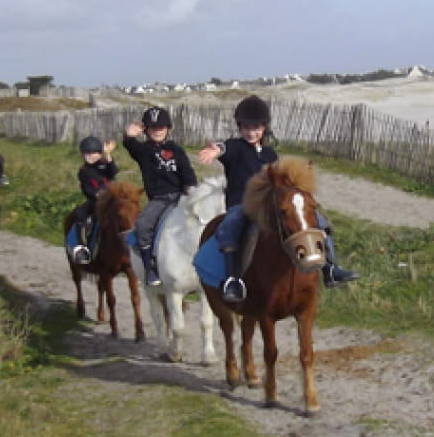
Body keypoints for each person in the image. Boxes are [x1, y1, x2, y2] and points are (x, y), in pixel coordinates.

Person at [197, 95, 358, 303]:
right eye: (246, 127)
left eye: (256, 127)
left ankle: (330, 267)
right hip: (242, 205)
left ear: (264, 128)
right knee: (230, 224)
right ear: (239, 127)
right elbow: (225, 148)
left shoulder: (270, 154)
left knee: (317, 219)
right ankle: (233, 279)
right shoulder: (236, 147)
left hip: (268, 207)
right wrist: (217, 149)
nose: (251, 132)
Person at [123, 106, 198, 286]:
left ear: (168, 129)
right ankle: (150, 268)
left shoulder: (176, 149)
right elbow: (131, 146)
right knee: (143, 225)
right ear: (146, 130)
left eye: (161, 127)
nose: (157, 131)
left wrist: (192, 190)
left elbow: (187, 171)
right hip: (159, 199)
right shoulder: (143, 151)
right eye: (153, 128)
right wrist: (129, 136)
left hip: (181, 196)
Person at [65, 135, 118, 264]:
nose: (90, 156)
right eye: (86, 153)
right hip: (95, 201)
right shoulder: (83, 171)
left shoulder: (105, 165)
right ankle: (81, 246)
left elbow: (113, 171)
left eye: (94, 153)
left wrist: (108, 154)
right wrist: (96, 195)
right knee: (80, 214)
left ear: (100, 154)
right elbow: (85, 188)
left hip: (111, 200)